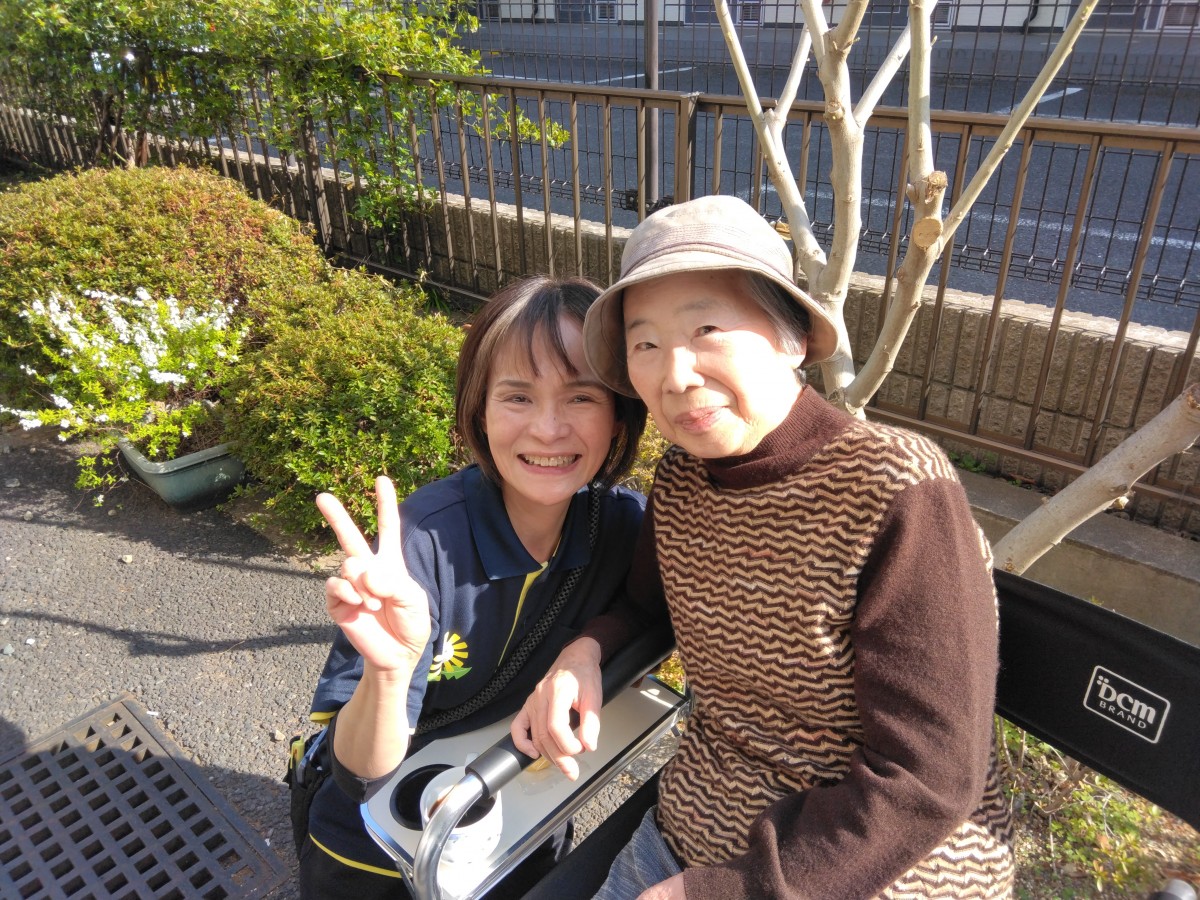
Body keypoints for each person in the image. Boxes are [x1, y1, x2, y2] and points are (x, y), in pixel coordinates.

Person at [512, 195, 1015, 899]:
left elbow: (929, 778)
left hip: (874, 869)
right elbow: (648, 607)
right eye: (645, 344)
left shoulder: (894, 487)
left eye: (707, 329)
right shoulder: (684, 477)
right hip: (689, 832)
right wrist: (586, 651)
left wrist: (726, 891)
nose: (675, 374)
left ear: (792, 338)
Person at [297, 275, 648, 899]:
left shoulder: (622, 525)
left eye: (581, 397)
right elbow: (359, 776)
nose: (548, 429)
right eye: (517, 396)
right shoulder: (422, 545)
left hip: (518, 817)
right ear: (479, 413)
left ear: (618, 417)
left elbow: (648, 609)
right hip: (378, 848)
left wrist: (586, 647)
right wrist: (388, 674)